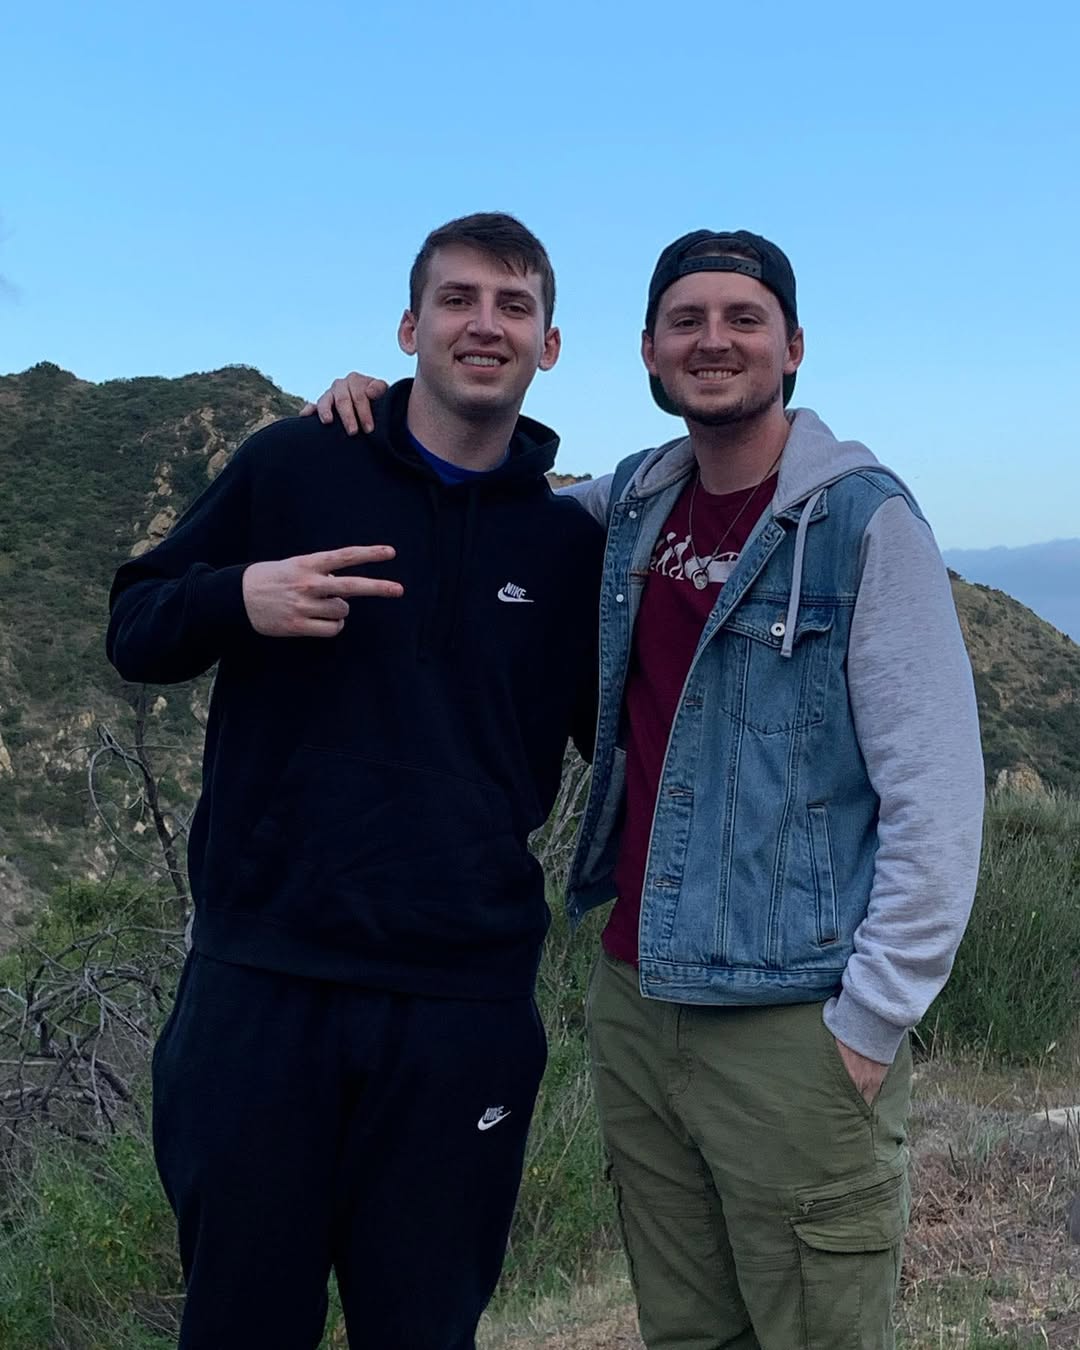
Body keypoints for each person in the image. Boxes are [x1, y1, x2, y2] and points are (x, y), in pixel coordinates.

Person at [306, 227, 985, 1349]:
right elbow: (484, 498)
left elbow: (938, 797)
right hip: (637, 1001)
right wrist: (387, 414)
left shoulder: (866, 526)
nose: (714, 341)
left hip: (792, 1017)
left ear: (793, 348)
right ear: (648, 351)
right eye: (687, 321)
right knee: (687, 1331)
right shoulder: (631, 506)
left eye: (743, 319)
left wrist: (870, 1024)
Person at [106, 212, 604, 1350]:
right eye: (458, 299)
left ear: (549, 344)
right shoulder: (295, 465)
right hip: (262, 984)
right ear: (409, 327)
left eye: (514, 306)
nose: (485, 324)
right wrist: (238, 596)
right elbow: (135, 626)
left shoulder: (568, 547)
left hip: (463, 1007)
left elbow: (625, 735)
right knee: (239, 1326)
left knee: (425, 1329)